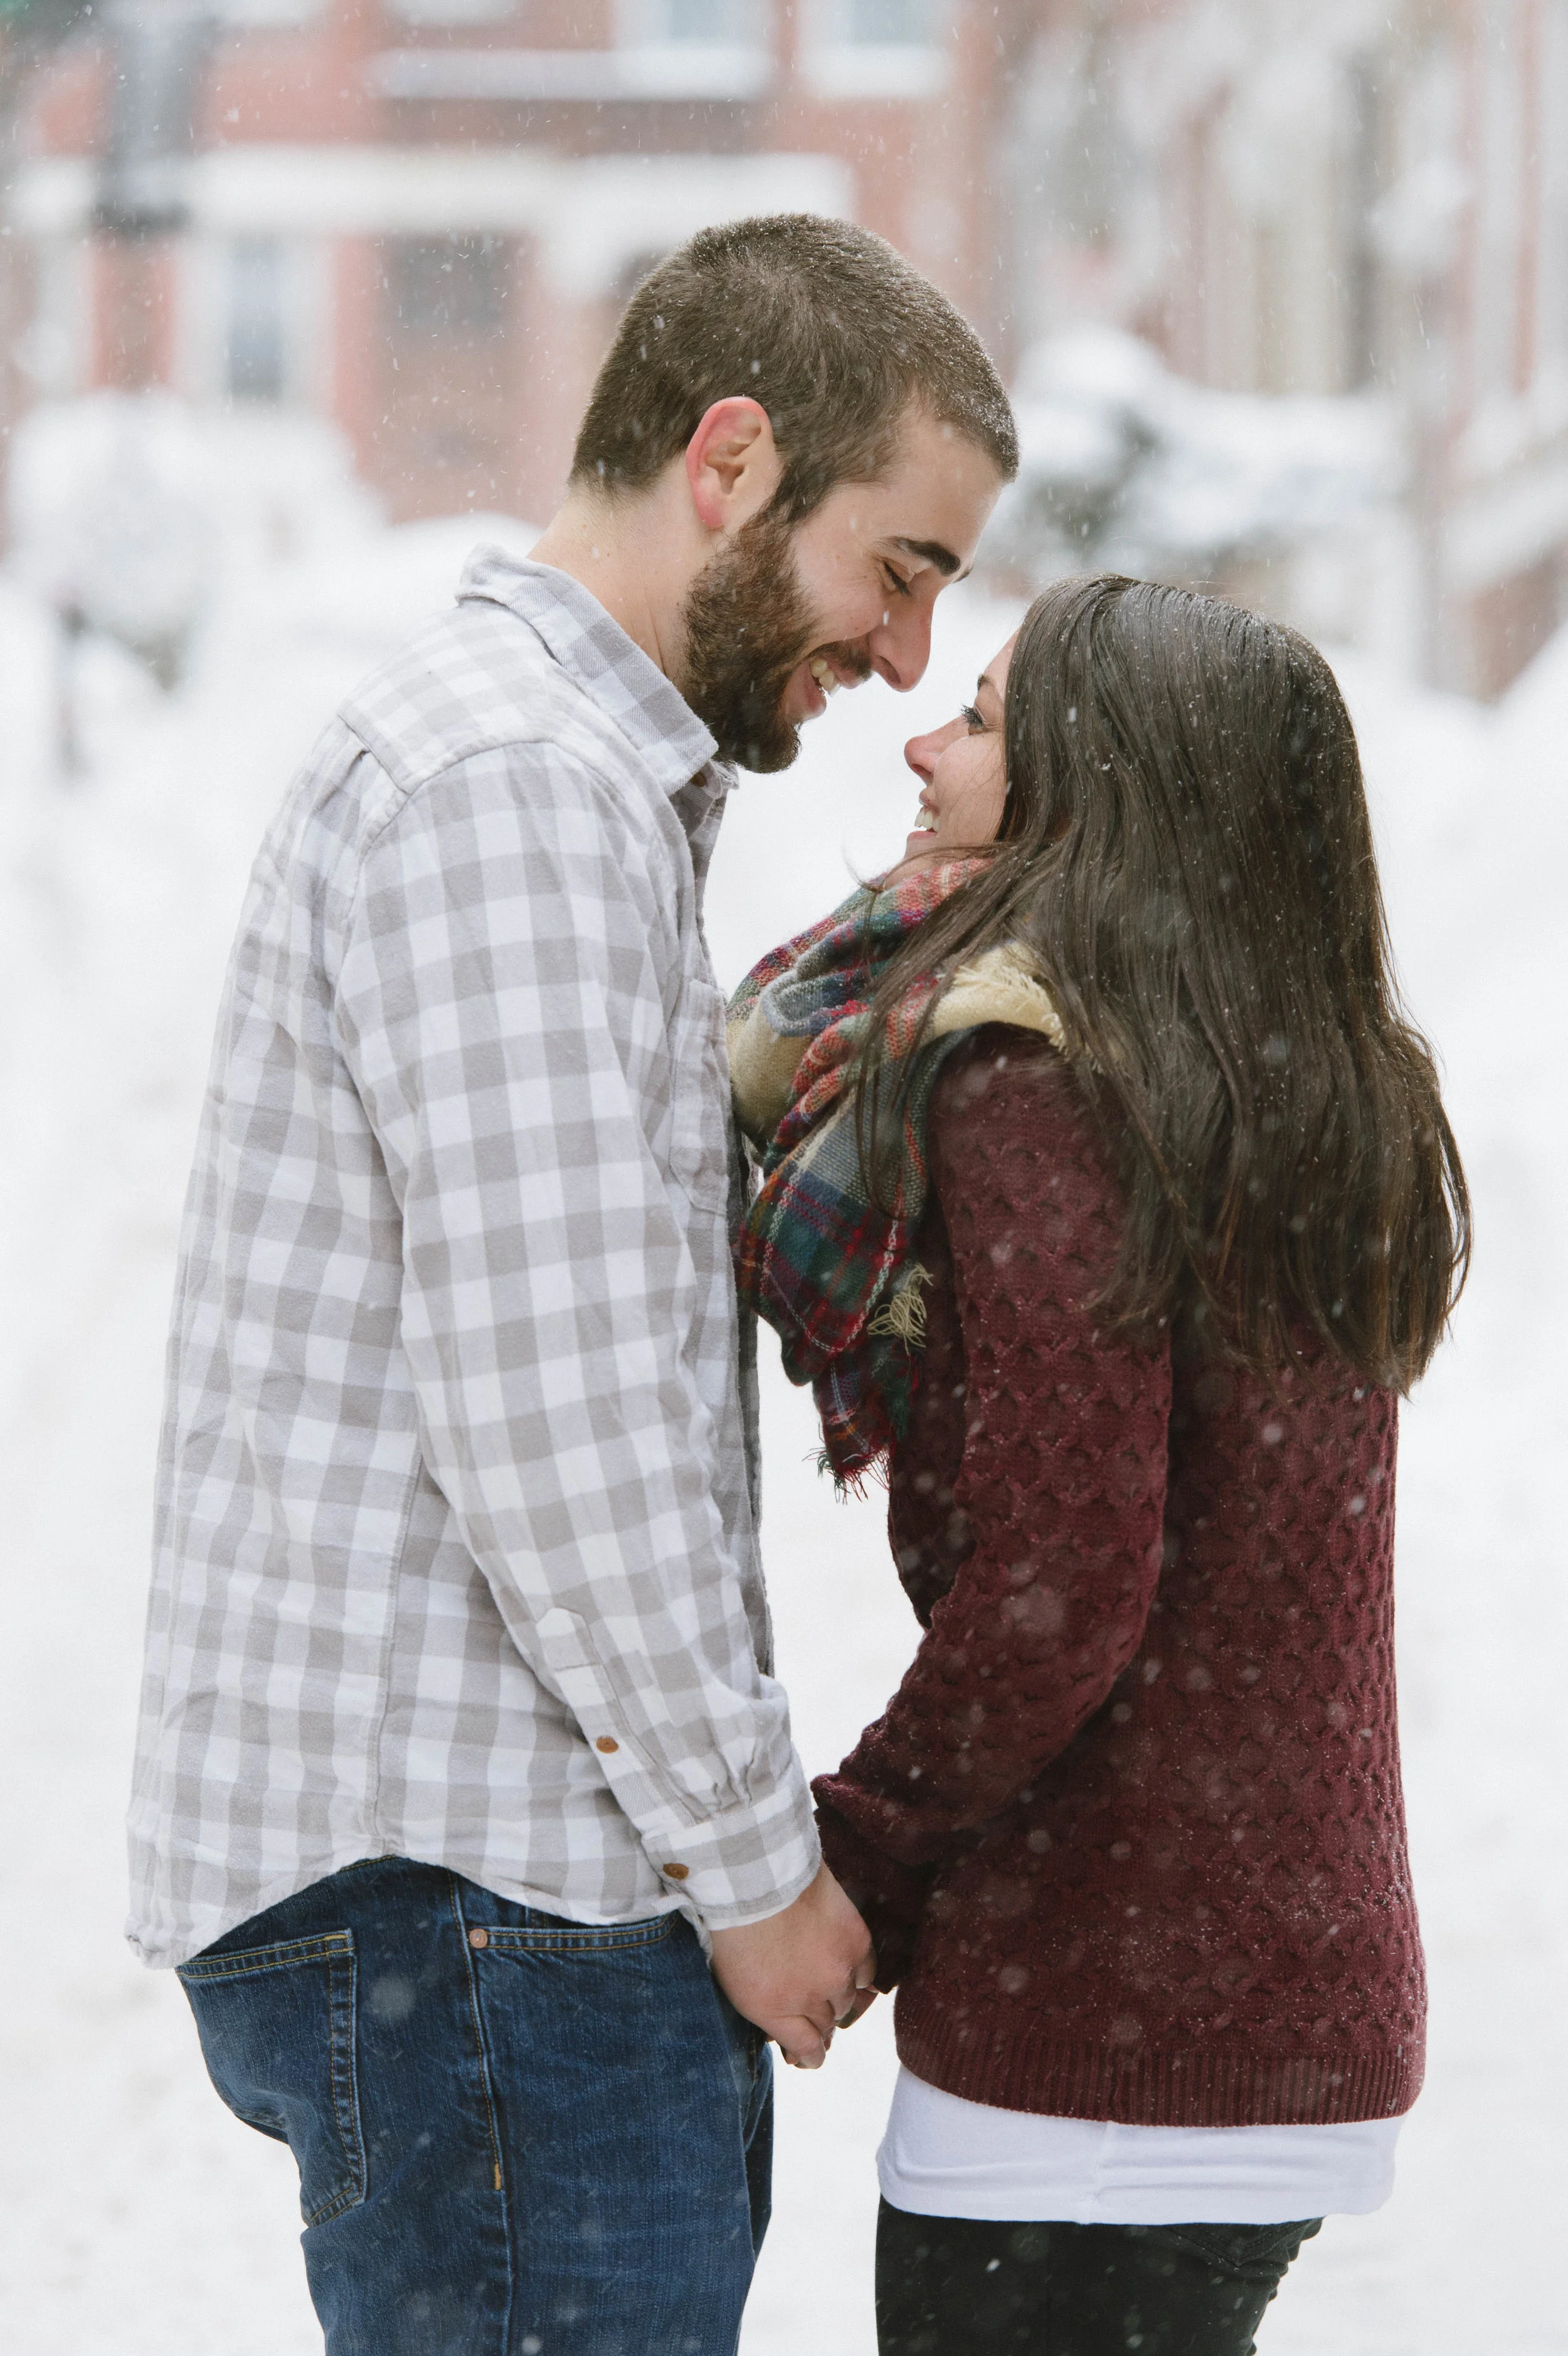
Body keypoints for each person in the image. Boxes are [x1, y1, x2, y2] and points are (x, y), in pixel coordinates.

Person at [127, 213, 1017, 2356]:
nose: (906, 659)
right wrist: (755, 1866)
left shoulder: (562, 778)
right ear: (728, 463)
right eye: (896, 567)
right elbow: (552, 1416)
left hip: (491, 1893)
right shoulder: (514, 787)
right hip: (491, 1888)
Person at [728, 575, 1469, 2353]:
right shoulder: (1284, 1077)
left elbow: (1064, 1582)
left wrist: (855, 1858)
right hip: (1291, 1998)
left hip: (1091, 2024)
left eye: (979, 719)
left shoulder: (1030, 1077)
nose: (917, 742)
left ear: (1098, 785)